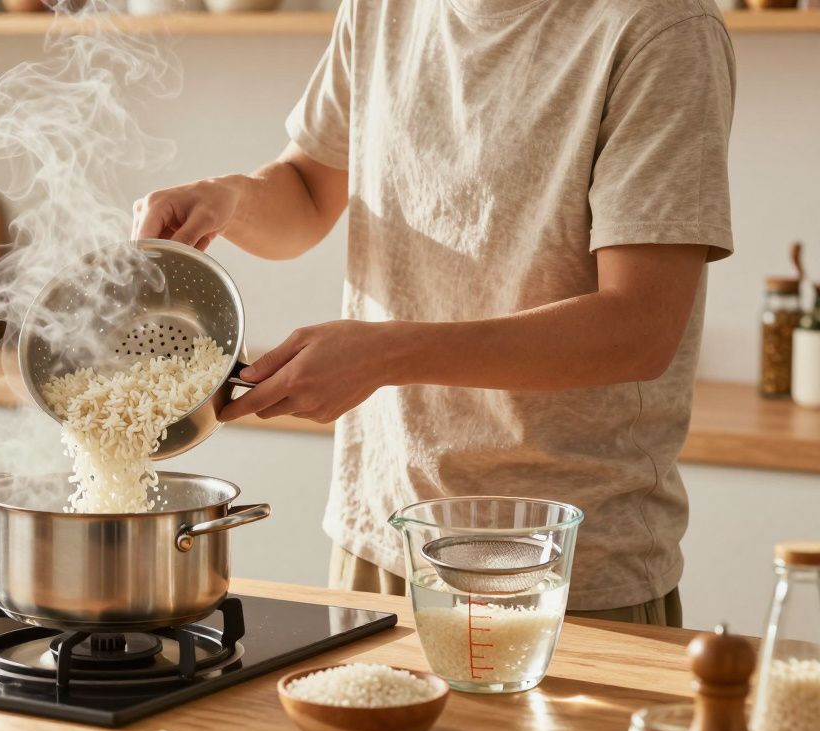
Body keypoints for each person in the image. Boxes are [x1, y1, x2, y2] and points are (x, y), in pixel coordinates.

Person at [131, 0, 736, 626]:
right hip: (380, 536)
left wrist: (387, 354)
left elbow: (639, 328)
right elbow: (308, 190)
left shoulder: (663, 28)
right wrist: (229, 198)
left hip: (556, 561)